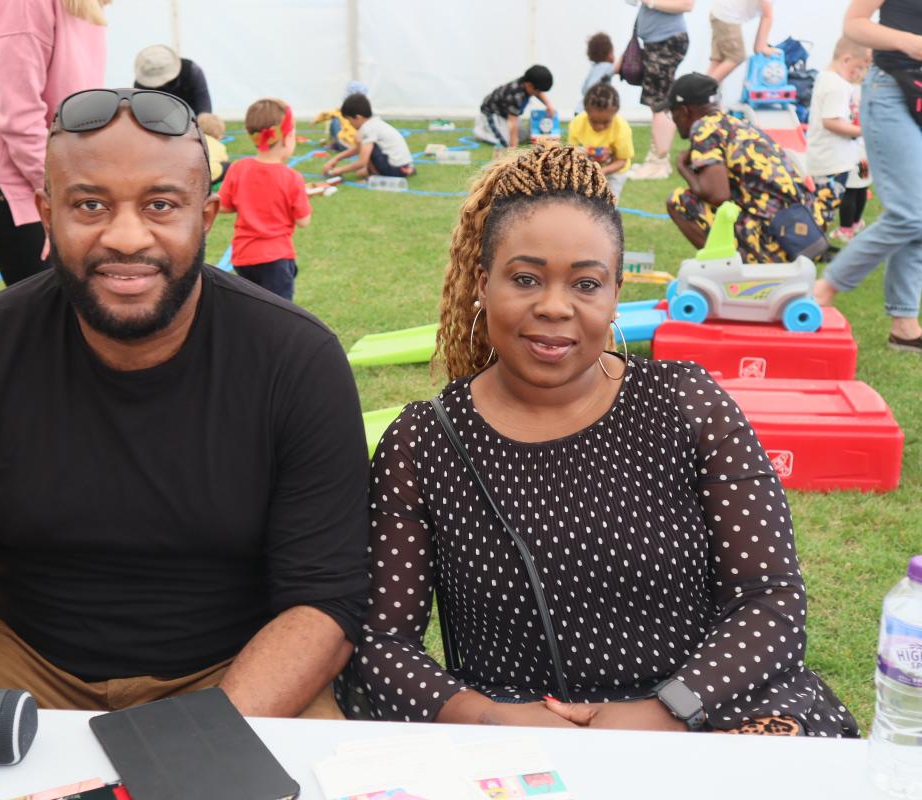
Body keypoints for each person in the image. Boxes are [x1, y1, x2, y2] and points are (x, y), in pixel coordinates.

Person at [0, 87, 369, 716]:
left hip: (237, 672)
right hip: (21, 661)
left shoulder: (296, 359)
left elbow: (323, 600)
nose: (127, 237)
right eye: (90, 205)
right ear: (47, 214)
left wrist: (204, 737)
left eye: (161, 205)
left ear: (207, 216)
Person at [348, 145, 859, 738]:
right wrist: (491, 718)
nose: (554, 307)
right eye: (525, 279)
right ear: (483, 284)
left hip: (703, 710)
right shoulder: (422, 441)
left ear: (616, 292)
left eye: (586, 284)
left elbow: (770, 599)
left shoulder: (687, 403)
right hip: (514, 732)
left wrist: (665, 713)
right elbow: (381, 642)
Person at [0, 0, 109, 287]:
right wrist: (64, 196)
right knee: (53, 311)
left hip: (69, 183)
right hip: (27, 187)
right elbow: (20, 119)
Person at [814, 0, 922, 354]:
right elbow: (854, 24)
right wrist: (909, 42)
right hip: (893, 89)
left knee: (918, 217)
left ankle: (905, 325)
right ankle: (823, 291)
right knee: (910, 214)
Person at [664, 73, 836, 262]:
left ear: (684, 110)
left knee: (678, 200)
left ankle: (724, 268)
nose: (673, 120)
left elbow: (717, 195)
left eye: (672, 112)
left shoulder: (705, 129)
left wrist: (683, 168)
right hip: (801, 237)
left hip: (774, 244)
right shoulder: (738, 125)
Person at [219, 98, 312, 301]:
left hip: (243, 257)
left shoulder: (238, 168)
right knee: (279, 312)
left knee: (252, 308)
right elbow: (303, 221)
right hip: (276, 259)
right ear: (286, 138)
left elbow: (223, 205)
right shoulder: (292, 178)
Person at [807, 37, 872, 241]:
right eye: (858, 68)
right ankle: (841, 231)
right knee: (850, 190)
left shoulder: (834, 81)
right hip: (835, 159)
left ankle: (848, 227)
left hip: (853, 155)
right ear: (846, 59)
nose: (860, 73)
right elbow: (831, 121)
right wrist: (864, 131)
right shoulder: (836, 85)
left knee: (858, 186)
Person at [627, 0, 693, 181]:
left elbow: (686, 5)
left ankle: (658, 163)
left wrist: (651, 2)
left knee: (659, 104)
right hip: (656, 41)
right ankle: (657, 159)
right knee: (657, 103)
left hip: (666, 41)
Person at [322, 93, 415, 181]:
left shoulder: (368, 129)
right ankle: (373, 172)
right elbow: (359, 148)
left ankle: (374, 175)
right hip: (404, 167)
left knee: (363, 143)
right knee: (364, 146)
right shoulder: (374, 123)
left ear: (358, 117)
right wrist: (336, 158)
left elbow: (362, 162)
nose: (350, 124)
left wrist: (339, 170)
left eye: (350, 121)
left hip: (395, 170)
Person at [568, 83, 634, 201]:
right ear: (586, 112)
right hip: (587, 168)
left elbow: (622, 161)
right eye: (593, 121)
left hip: (614, 172)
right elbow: (571, 152)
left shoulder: (622, 129)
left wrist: (602, 171)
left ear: (615, 113)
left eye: (606, 122)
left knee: (609, 203)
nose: (599, 127)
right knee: (583, 200)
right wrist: (580, 156)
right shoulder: (577, 123)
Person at [473, 65, 556, 151]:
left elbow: (539, 93)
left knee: (522, 137)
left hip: (506, 114)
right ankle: (481, 131)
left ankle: (500, 130)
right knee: (507, 141)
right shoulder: (515, 95)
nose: (539, 93)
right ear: (530, 85)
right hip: (491, 113)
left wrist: (548, 105)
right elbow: (512, 123)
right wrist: (513, 147)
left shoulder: (527, 82)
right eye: (538, 91)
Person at [707, 0, 777, 82]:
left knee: (719, 61)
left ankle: (702, 88)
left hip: (721, 14)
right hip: (727, 17)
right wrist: (761, 47)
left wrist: (760, 47)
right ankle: (704, 88)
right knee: (735, 57)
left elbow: (765, 15)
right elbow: (767, 15)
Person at [134, 44, 212, 114]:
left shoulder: (191, 71)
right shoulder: (140, 85)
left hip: (193, 118)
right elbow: (142, 113)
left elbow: (204, 108)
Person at [575, 33, 615, 115]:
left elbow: (583, 90)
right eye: (612, 52)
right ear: (609, 54)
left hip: (580, 109)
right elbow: (616, 69)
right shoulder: (607, 66)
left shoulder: (594, 68)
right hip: (590, 113)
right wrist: (623, 56)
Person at [196, 112, 230, 188]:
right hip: (211, 175)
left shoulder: (194, 140)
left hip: (193, 175)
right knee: (227, 165)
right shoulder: (219, 145)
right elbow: (224, 159)